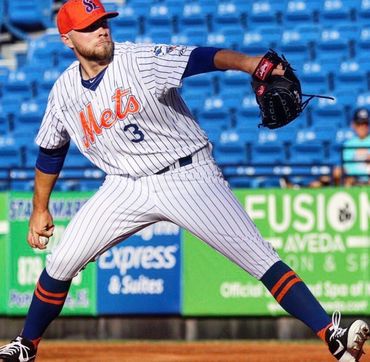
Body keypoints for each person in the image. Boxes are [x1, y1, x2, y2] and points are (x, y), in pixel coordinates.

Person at [0, 0, 368, 361]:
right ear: (67, 39)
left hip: (188, 174)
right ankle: (26, 345)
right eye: (90, 27)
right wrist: (39, 209)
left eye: (103, 22)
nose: (101, 30)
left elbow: (200, 58)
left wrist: (250, 64)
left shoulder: (138, 60)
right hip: (123, 185)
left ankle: (330, 334)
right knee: (61, 262)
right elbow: (51, 150)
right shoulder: (63, 92)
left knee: (260, 259)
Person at [333, 108, 370, 186]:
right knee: (337, 172)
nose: (362, 127)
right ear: (353, 125)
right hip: (353, 179)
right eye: (359, 124)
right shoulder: (348, 144)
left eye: (365, 124)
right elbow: (347, 166)